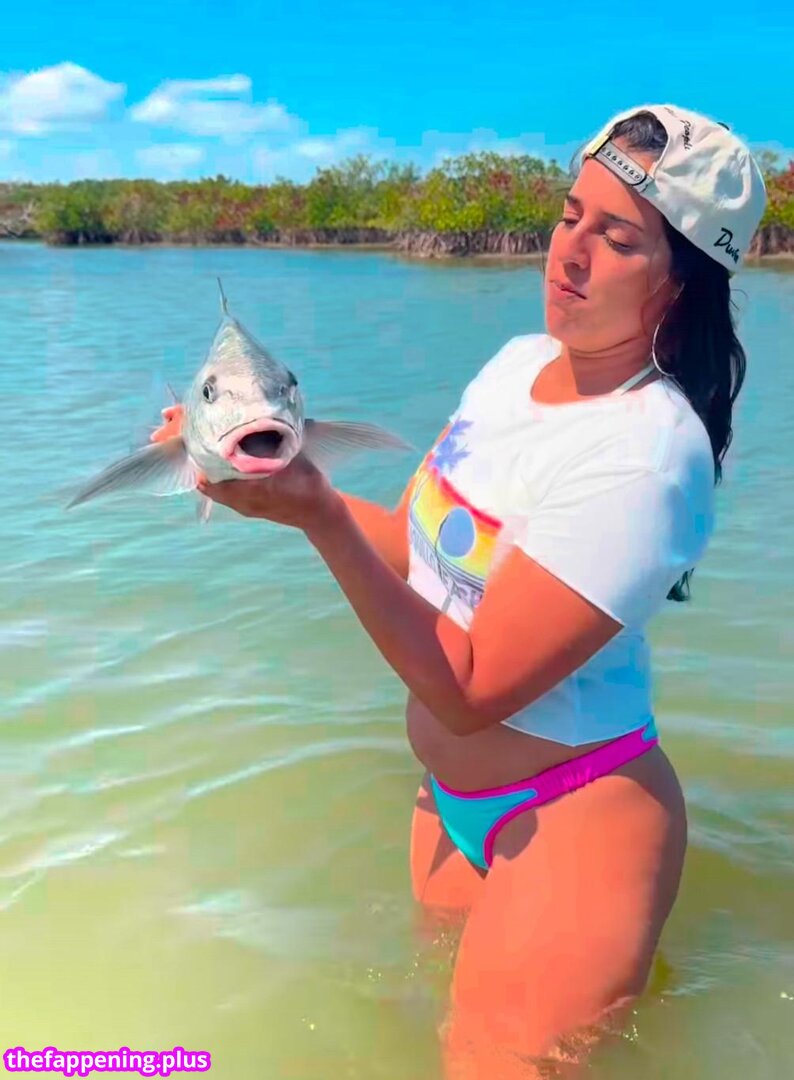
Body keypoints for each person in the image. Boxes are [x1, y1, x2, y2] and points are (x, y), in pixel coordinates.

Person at [151, 104, 767, 1077]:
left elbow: (471, 689)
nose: (570, 254)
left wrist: (318, 515)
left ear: (683, 284)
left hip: (573, 816)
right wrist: (277, 487)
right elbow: (417, 555)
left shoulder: (647, 452)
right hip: (449, 804)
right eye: (569, 216)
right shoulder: (517, 367)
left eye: (618, 240)